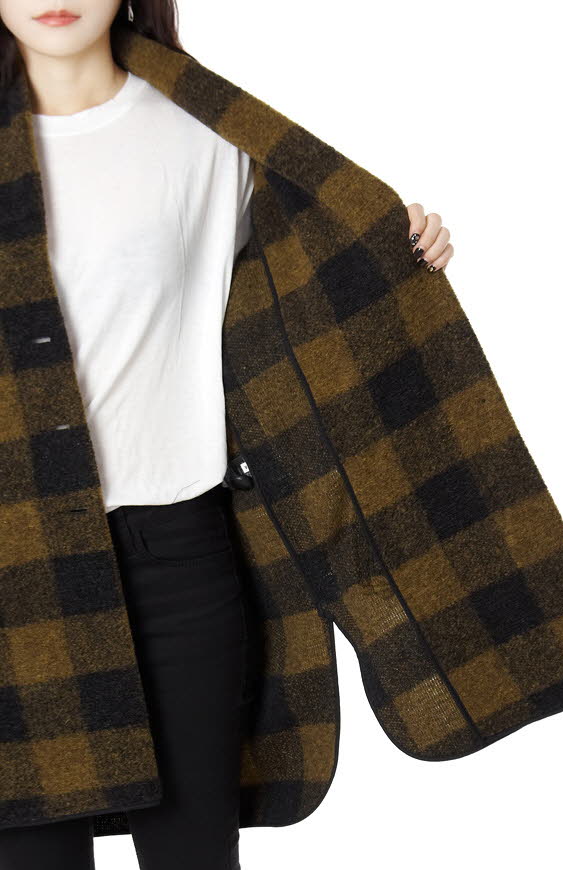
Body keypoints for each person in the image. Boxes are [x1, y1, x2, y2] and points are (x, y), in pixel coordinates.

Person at [0, 1, 455, 867]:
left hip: (178, 552)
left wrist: (395, 243)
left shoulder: (206, 134)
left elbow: (306, 276)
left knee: (194, 851)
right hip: (14, 559)